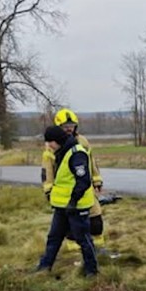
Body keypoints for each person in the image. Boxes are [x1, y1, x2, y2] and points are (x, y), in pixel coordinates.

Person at [36, 125, 99, 278]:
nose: (49, 146)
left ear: (57, 140)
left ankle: (91, 270)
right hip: (62, 206)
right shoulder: (61, 153)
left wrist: (73, 201)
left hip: (77, 206)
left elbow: (83, 181)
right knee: (54, 237)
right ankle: (44, 267)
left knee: (82, 239)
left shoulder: (77, 154)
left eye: (50, 142)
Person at [41, 108, 107, 250]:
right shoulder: (52, 146)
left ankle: (98, 246)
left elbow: (91, 161)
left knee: (95, 216)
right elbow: (47, 171)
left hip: (85, 186)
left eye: (71, 126)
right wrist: (48, 189)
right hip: (65, 191)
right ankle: (74, 247)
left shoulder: (82, 141)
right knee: (70, 220)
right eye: (65, 127)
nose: (69, 129)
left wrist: (97, 180)